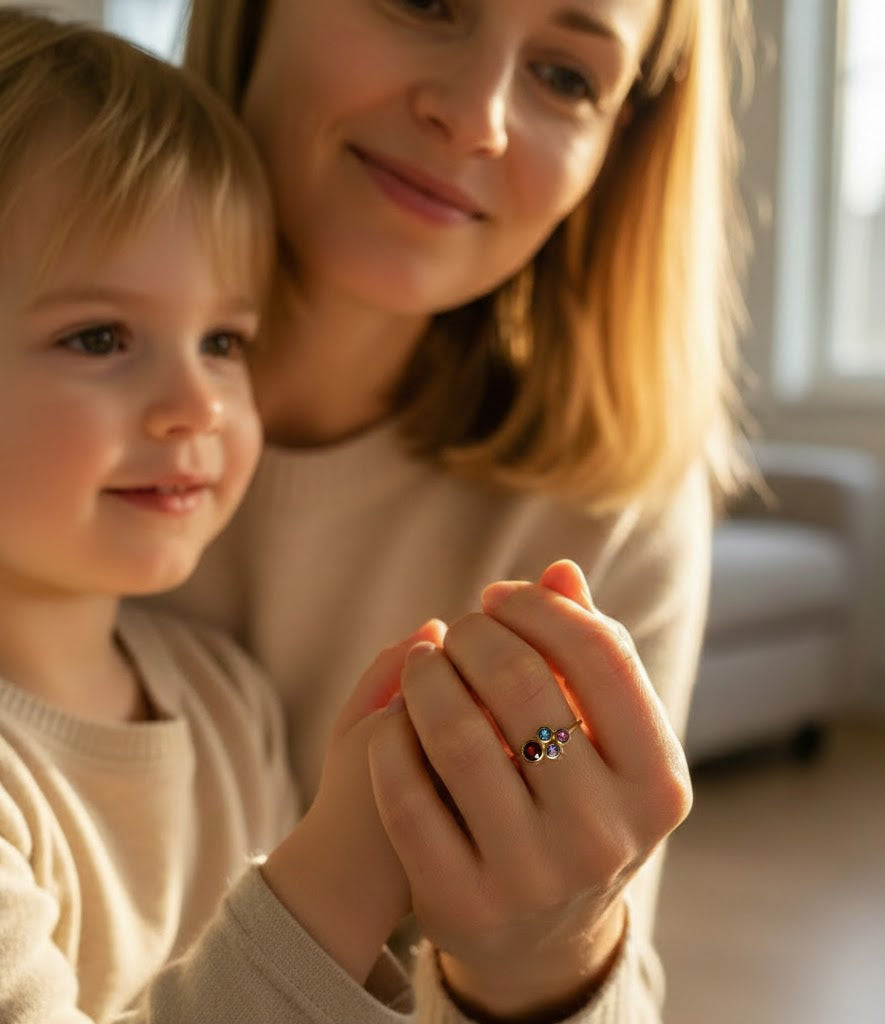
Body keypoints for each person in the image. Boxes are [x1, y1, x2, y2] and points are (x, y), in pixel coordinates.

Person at [158, 1, 751, 1022]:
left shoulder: (606, 509)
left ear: (618, 145)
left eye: (567, 77)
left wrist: (552, 963)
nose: (476, 116)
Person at [0, 10, 451, 1021]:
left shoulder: (227, 700)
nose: (199, 404)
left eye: (224, 341)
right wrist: (339, 871)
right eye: (100, 335)